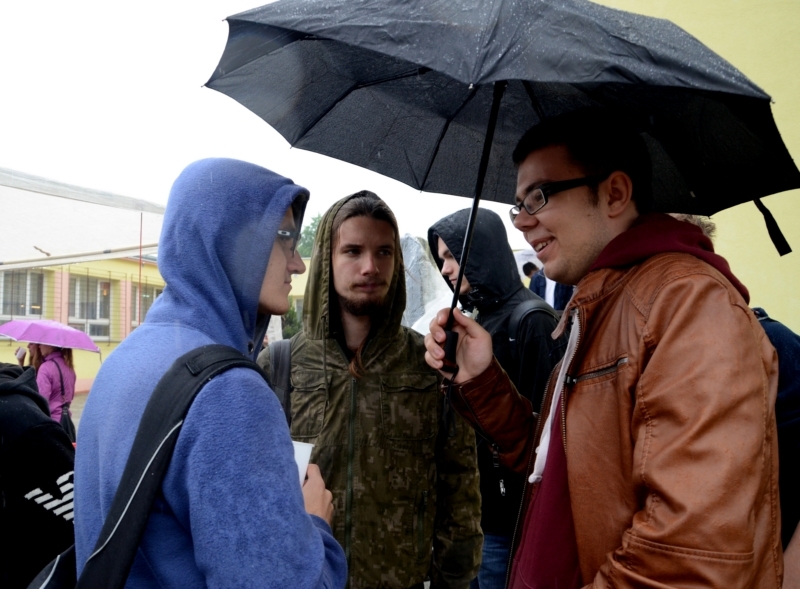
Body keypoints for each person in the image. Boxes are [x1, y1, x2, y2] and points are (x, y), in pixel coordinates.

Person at [423, 108, 781, 588]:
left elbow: (687, 555)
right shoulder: (602, 305)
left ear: (614, 193)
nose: (522, 222)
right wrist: (482, 382)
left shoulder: (689, 304)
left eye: (539, 195)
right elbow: (563, 471)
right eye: (518, 204)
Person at [74, 159, 347, 588]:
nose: (298, 264)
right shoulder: (228, 392)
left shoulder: (127, 358)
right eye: (286, 239)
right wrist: (316, 524)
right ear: (231, 240)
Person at [259, 191, 482, 589]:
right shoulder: (279, 366)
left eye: (384, 252)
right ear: (326, 260)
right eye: (352, 251)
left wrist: (455, 580)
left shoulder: (430, 366)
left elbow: (460, 487)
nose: (370, 267)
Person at [428, 208, 566, 589]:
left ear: (480, 252)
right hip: (473, 515)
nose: (446, 269)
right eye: (441, 259)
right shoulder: (472, 320)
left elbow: (544, 436)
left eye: (453, 256)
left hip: (509, 522)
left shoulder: (533, 321)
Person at [0, 362, 75, 589]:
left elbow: (72, 535)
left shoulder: (22, 424)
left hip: (45, 430)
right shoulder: (67, 367)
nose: (32, 345)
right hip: (61, 422)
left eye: (35, 344)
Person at [35, 345, 77, 441]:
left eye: (41, 343)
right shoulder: (70, 368)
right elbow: (70, 396)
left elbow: (41, 402)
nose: (39, 346)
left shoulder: (45, 368)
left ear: (50, 346)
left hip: (51, 425)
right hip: (67, 423)